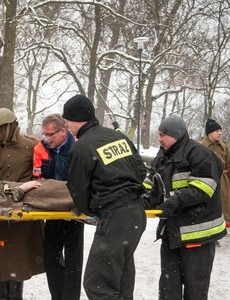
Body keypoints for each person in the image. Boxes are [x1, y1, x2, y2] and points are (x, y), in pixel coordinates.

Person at [62, 95, 147, 299]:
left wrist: (94, 210)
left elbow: (78, 191)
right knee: (120, 280)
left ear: (76, 119)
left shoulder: (81, 147)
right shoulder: (118, 137)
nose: (66, 126)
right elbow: (141, 171)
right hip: (136, 213)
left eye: (66, 121)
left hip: (115, 217)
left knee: (97, 283)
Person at [151, 115, 226, 300]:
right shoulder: (163, 155)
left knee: (195, 288)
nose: (159, 139)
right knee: (169, 287)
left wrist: (174, 202)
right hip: (172, 232)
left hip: (198, 233)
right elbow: (152, 182)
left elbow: (204, 188)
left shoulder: (199, 154)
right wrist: (141, 199)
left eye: (163, 135)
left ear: (175, 134)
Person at [0, 108, 45, 300]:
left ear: (8, 126)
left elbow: (39, 178)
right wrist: (11, 188)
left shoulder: (32, 145)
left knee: (19, 264)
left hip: (22, 216)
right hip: (0, 212)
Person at [32, 113, 84, 300]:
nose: (46, 138)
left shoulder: (79, 146)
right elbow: (37, 179)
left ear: (63, 131)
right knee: (51, 256)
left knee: (74, 259)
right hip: (51, 209)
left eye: (50, 134)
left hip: (74, 210)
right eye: (44, 134)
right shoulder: (40, 148)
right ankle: (57, 295)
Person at [201, 118, 230, 224]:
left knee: (222, 205)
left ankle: (221, 224)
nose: (220, 133)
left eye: (220, 131)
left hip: (222, 181)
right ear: (209, 133)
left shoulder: (223, 146)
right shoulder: (201, 147)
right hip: (207, 180)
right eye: (217, 131)